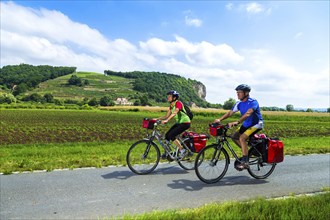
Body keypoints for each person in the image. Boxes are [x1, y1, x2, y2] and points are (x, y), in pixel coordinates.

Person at [214, 84, 263, 169]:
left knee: (242, 138)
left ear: (246, 93)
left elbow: (248, 113)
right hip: (247, 124)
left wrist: (238, 121)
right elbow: (230, 113)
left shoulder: (253, 101)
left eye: (239, 92)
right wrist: (220, 119)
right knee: (234, 136)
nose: (237, 94)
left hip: (256, 124)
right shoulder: (239, 103)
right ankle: (247, 152)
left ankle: (245, 162)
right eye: (237, 93)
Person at [158, 90, 191, 159]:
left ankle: (182, 150)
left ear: (174, 98)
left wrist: (167, 120)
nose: (168, 98)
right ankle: (167, 152)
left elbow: (175, 113)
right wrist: (157, 119)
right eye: (168, 96)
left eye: (169, 96)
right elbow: (166, 116)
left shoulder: (178, 103)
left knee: (172, 135)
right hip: (179, 123)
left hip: (185, 122)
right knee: (167, 135)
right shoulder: (171, 106)